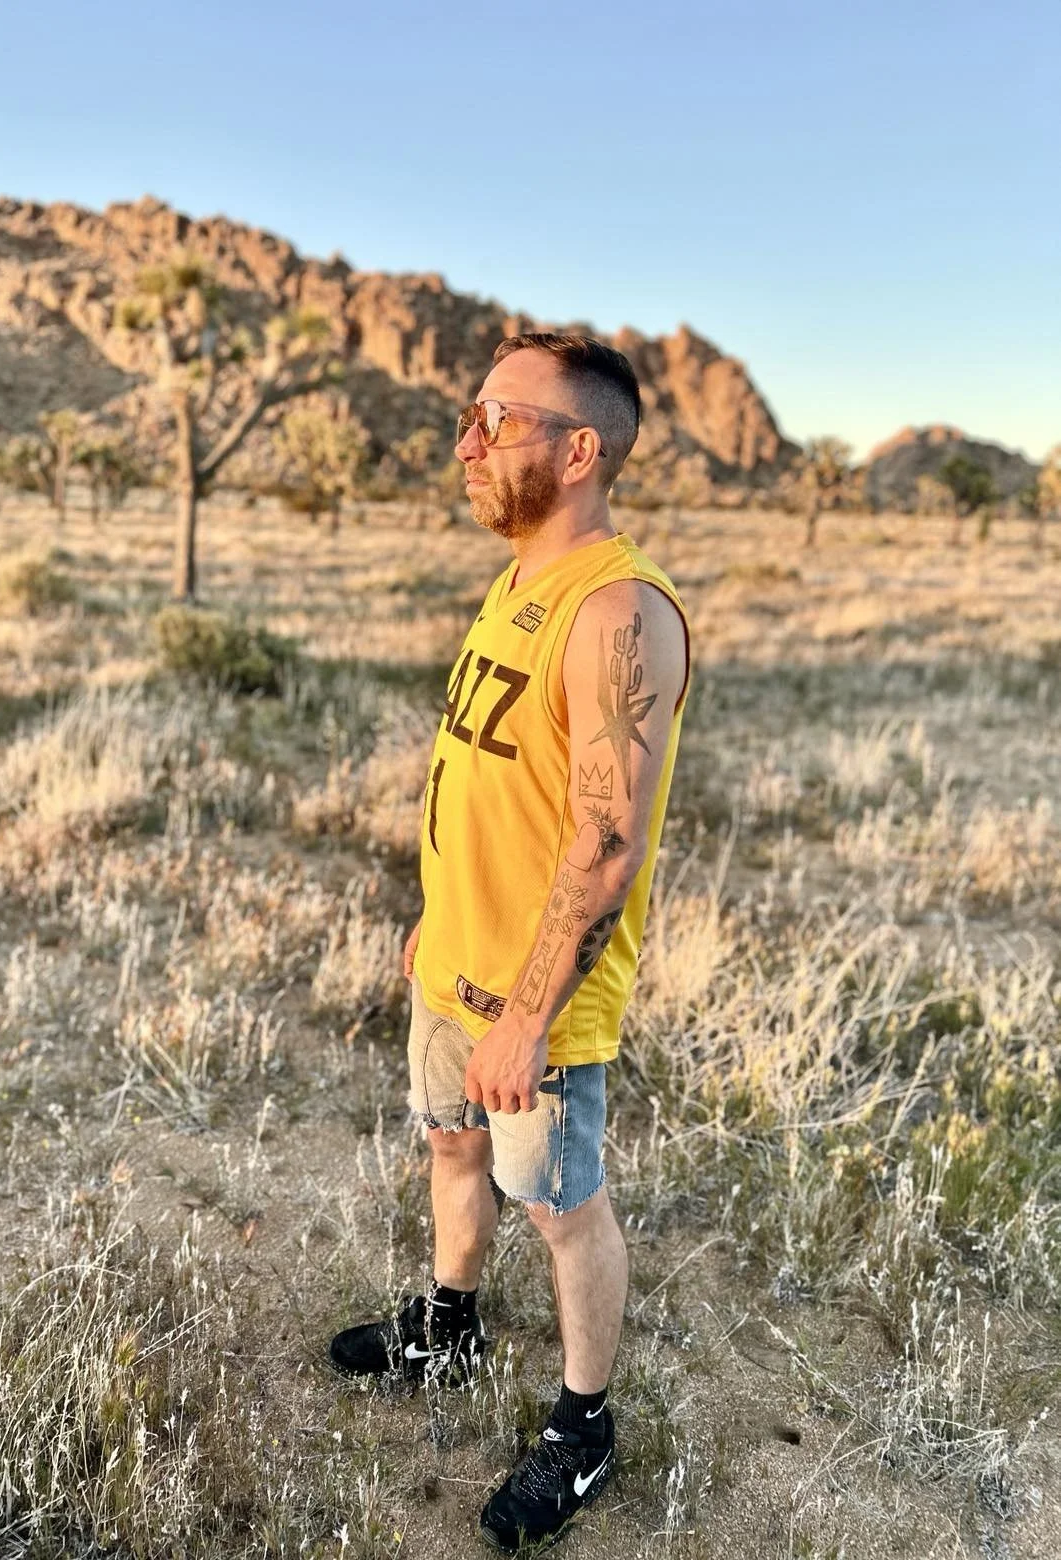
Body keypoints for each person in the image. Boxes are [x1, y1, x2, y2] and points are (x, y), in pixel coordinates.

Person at [329, 333, 690, 1553]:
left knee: (558, 1206)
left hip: (533, 1005)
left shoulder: (616, 612)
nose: (468, 441)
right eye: (472, 415)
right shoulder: (520, 578)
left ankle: (584, 1431)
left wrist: (528, 1015)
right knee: (448, 1151)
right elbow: (495, 786)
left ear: (582, 450)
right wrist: (438, 924)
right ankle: (450, 1324)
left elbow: (601, 846)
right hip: (454, 969)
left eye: (501, 420)